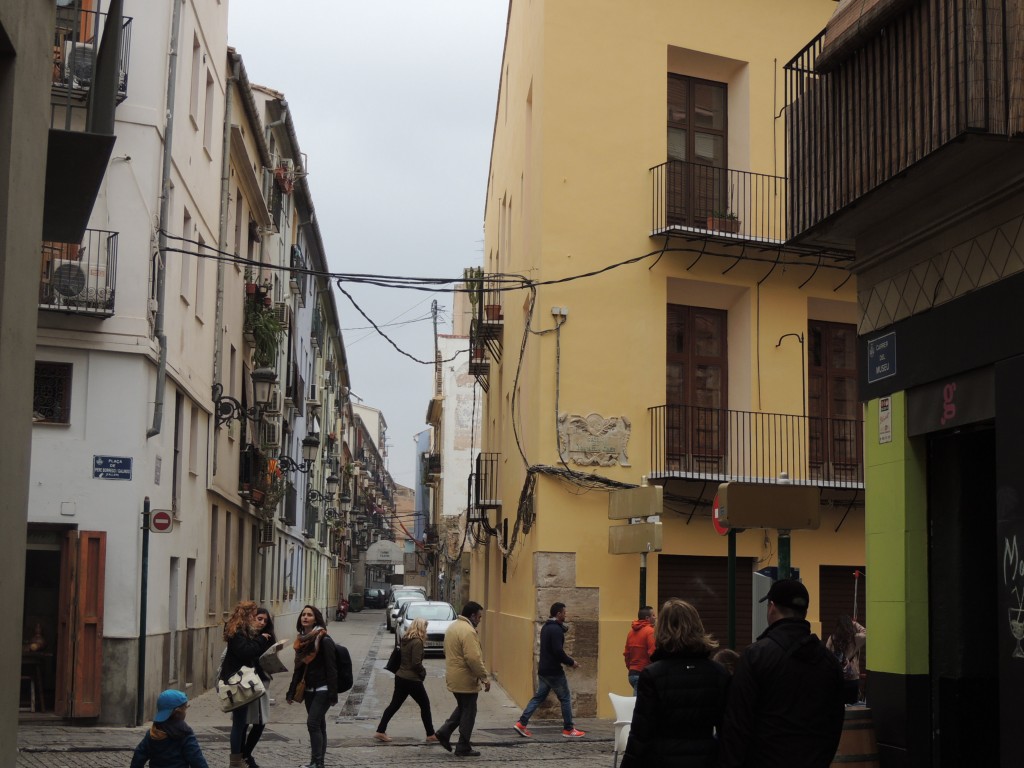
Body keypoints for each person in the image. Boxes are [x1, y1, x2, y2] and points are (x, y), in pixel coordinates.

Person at [719, 579, 845, 768]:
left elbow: (737, 724)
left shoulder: (756, 656)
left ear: (772, 607)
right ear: (804, 612)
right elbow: (835, 722)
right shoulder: (829, 662)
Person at [618, 598, 730, 768]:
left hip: (662, 757)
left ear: (662, 629)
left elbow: (641, 732)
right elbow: (728, 729)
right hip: (707, 757)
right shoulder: (718, 673)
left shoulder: (653, 675)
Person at [513, 602, 585, 739]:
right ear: (558, 614)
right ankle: (569, 729)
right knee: (565, 698)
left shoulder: (546, 627)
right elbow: (558, 651)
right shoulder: (556, 630)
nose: (566, 615)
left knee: (538, 697)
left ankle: (522, 723)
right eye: (564, 613)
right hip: (553, 671)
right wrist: (571, 662)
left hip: (543, 670)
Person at [434, 601, 491, 757]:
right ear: (472, 615)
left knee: (463, 707)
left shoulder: (452, 627)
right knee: (469, 711)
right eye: (479, 616)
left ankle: (444, 732)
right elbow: (473, 658)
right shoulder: (468, 631)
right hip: (465, 678)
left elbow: (447, 650)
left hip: (453, 675)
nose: (480, 620)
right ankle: (463, 745)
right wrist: (484, 677)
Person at [221, 601, 273, 768]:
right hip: (239, 682)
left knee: (241, 722)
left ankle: (239, 759)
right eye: (254, 615)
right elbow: (246, 652)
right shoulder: (237, 632)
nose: (257, 619)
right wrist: (261, 641)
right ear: (247, 614)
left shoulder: (241, 631)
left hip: (243, 681)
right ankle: (236, 762)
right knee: (239, 724)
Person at [286, 605, 338, 768]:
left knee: (312, 723)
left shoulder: (324, 639)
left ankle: (317, 762)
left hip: (323, 689)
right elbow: (298, 669)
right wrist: (291, 690)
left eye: (309, 615)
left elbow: (332, 668)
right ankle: (317, 762)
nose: (305, 617)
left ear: (316, 618)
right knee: (319, 725)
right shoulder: (301, 641)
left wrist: (333, 693)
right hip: (308, 690)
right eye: (303, 615)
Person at [374, 617, 438, 743]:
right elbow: (416, 663)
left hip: (400, 677)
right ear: (421, 628)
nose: (426, 630)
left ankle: (380, 731)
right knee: (425, 705)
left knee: (394, 705)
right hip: (412, 679)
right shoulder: (417, 642)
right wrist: (423, 673)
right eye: (425, 627)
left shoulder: (405, 639)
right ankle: (430, 734)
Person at [131, 688, 208, 768]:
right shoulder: (185, 733)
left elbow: (138, 757)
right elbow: (197, 760)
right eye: (185, 708)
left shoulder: (153, 733)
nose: (185, 712)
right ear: (178, 712)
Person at [239, 608, 276, 768]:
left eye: (265, 621)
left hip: (262, 683)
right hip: (246, 683)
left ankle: (246, 754)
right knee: (244, 722)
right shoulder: (244, 636)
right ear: (251, 618)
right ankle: (242, 756)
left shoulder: (267, 638)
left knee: (260, 722)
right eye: (259, 619)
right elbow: (247, 654)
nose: (262, 623)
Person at [825, 614, 867, 704]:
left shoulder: (832, 638)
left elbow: (826, 655)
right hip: (852, 678)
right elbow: (866, 633)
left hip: (837, 678)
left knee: (837, 705)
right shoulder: (855, 638)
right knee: (852, 705)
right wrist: (855, 623)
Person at [623, 605, 656, 695]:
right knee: (639, 705)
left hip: (632, 674)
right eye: (653, 615)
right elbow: (653, 653)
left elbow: (627, 654)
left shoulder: (631, 632)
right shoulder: (650, 631)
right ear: (647, 618)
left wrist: (631, 667)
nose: (655, 617)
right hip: (643, 673)